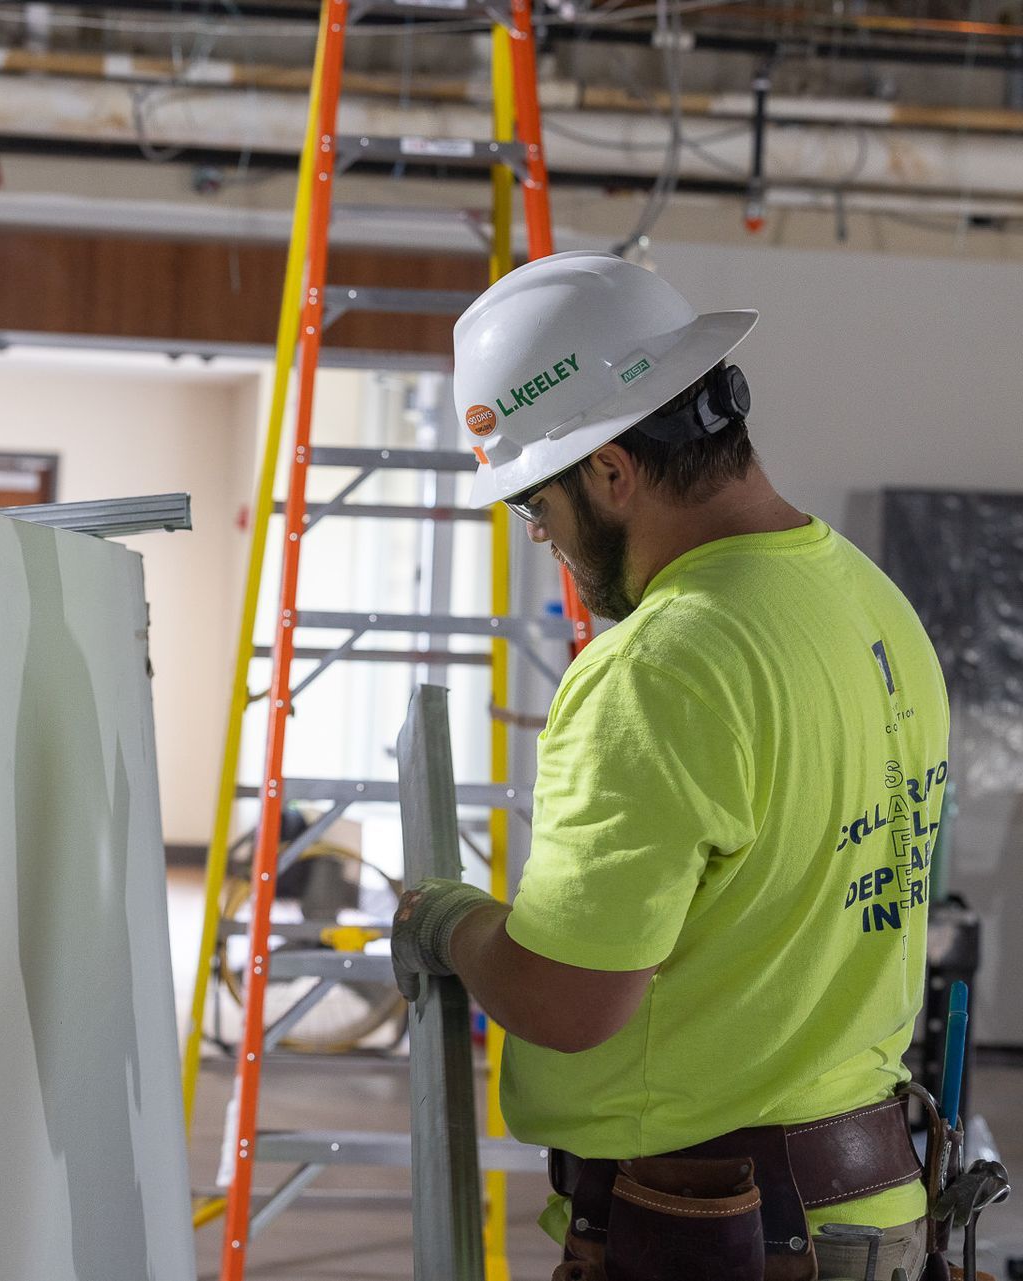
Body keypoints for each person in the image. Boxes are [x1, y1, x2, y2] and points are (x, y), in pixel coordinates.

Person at [390, 251, 949, 1281]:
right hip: (866, 1207)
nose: (549, 544)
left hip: (718, 1232)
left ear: (611, 470)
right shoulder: (868, 603)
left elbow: (570, 1002)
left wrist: (449, 921)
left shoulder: (662, 666)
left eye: (536, 508)